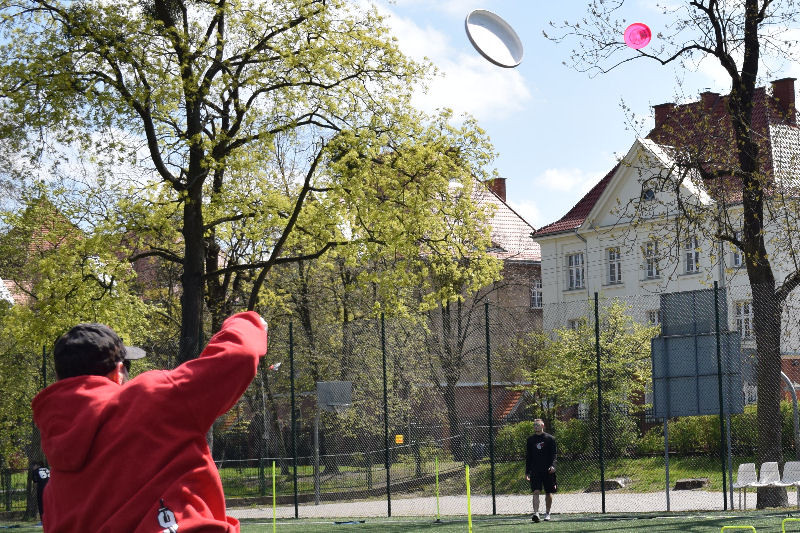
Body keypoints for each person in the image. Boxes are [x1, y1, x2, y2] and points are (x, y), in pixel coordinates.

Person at [32, 312, 267, 532]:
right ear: (118, 372)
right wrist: (248, 322)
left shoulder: (55, 490)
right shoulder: (152, 398)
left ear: (60, 379)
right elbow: (241, 355)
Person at [525, 418, 557, 523]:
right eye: (534, 425)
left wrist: (553, 466)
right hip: (535, 470)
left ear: (542, 426)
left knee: (549, 492)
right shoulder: (530, 440)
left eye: (537, 425)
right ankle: (536, 513)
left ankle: (547, 513)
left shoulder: (550, 439)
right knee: (536, 491)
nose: (536, 427)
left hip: (548, 471)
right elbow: (528, 457)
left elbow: (554, 455)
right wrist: (527, 472)